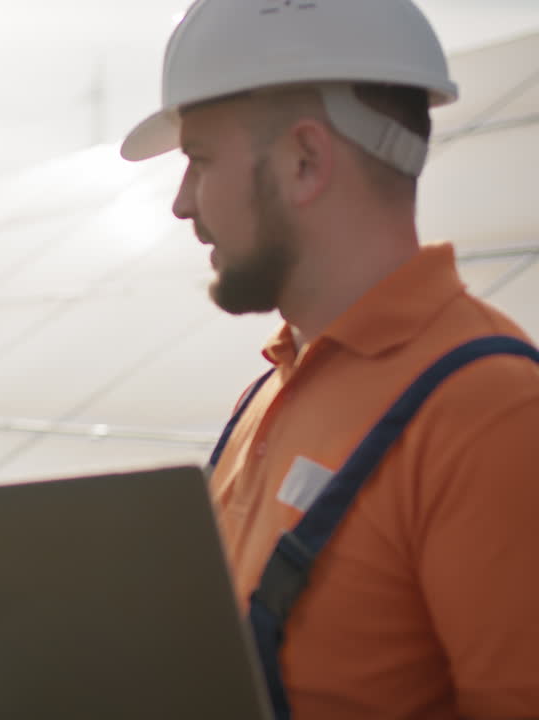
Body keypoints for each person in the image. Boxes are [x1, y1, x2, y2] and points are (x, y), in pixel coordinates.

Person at [121, 1, 539, 719]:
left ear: (304, 162)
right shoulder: (268, 391)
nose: (182, 204)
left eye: (200, 158)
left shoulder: (493, 414)